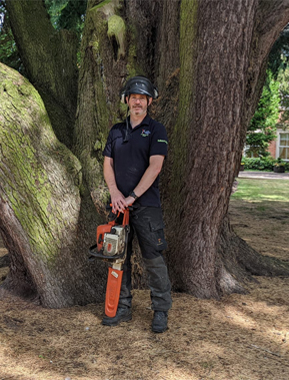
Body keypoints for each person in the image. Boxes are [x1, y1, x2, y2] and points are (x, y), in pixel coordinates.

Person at [102, 76, 172, 333]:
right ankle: (122, 307)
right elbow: (107, 164)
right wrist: (115, 193)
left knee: (153, 259)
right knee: (118, 258)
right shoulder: (116, 131)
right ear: (127, 101)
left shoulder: (156, 130)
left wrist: (132, 196)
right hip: (119, 206)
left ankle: (161, 310)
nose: (138, 102)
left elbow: (155, 167)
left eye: (142, 98)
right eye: (134, 98)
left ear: (149, 102)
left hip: (146, 205)